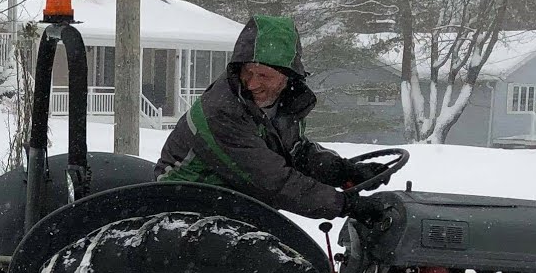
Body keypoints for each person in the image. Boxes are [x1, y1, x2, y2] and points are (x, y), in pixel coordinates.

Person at [155, 15, 388, 221]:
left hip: (234, 200)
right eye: (248, 72)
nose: (253, 83)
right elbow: (272, 180)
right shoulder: (221, 111)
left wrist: (346, 172)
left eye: (264, 75)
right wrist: (343, 205)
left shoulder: (284, 105)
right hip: (188, 202)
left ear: (288, 76)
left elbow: (298, 153)